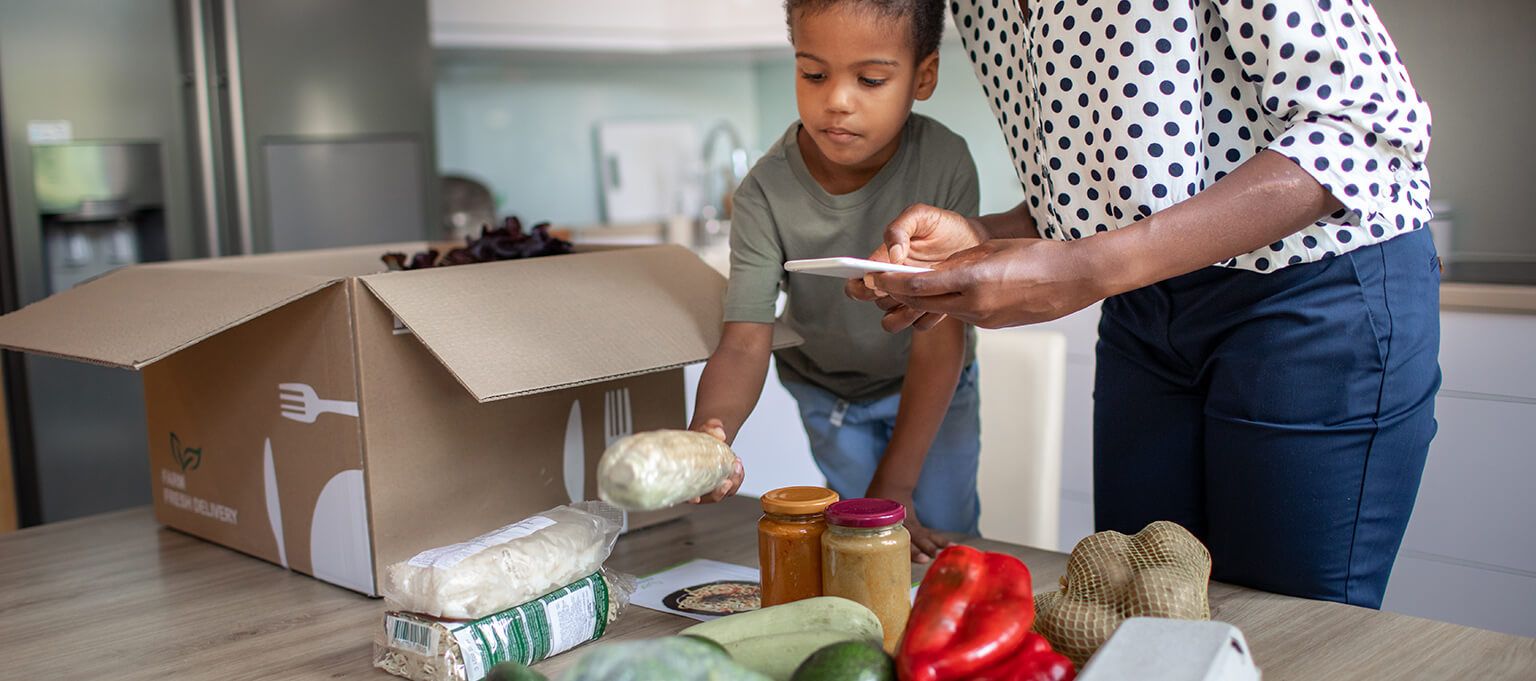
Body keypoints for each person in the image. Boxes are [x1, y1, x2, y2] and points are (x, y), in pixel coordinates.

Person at [848, 0, 1438, 608]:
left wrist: (1084, 270)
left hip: (1311, 288)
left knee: (1284, 630)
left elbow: (1356, 133)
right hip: (1141, 306)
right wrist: (981, 238)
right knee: (1130, 602)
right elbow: (1100, 197)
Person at [687, 0, 982, 562]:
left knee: (943, 540)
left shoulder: (945, 162)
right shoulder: (763, 194)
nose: (837, 101)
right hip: (828, 396)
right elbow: (747, 336)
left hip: (932, 391)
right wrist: (710, 431)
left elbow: (939, 336)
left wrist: (897, 484)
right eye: (813, 74)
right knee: (864, 545)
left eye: (870, 79)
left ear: (924, 76)